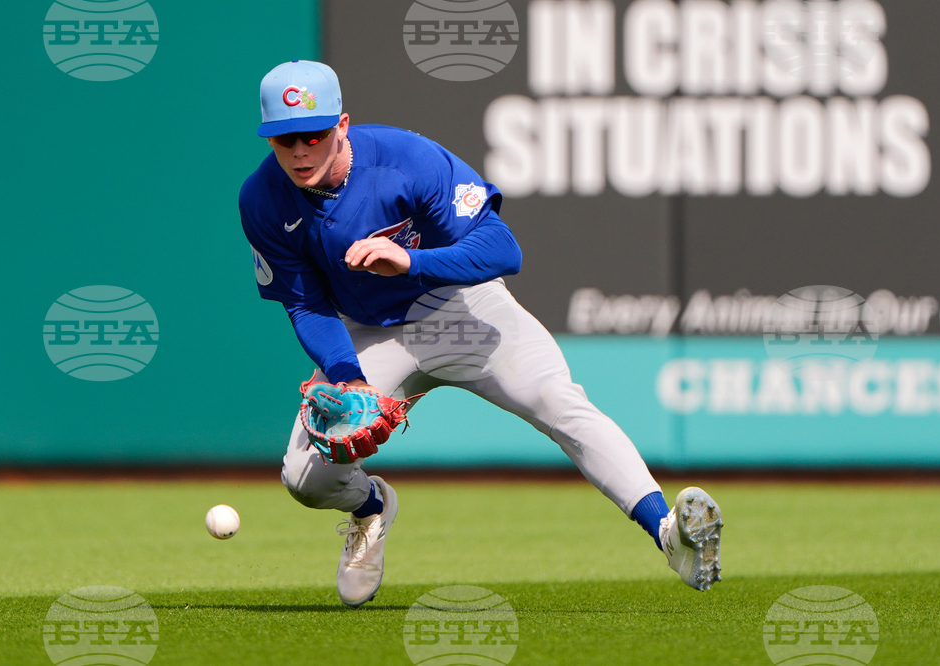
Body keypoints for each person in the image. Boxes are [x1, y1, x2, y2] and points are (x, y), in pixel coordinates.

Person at [239, 60, 723, 607]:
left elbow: (502, 249)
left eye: (313, 134)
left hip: (460, 307)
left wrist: (413, 260)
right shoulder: (262, 199)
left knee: (557, 400)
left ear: (342, 125)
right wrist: (348, 378)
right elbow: (304, 303)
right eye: (284, 139)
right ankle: (370, 508)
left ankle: (668, 535)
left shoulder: (407, 161)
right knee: (304, 476)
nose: (300, 151)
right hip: (368, 332)